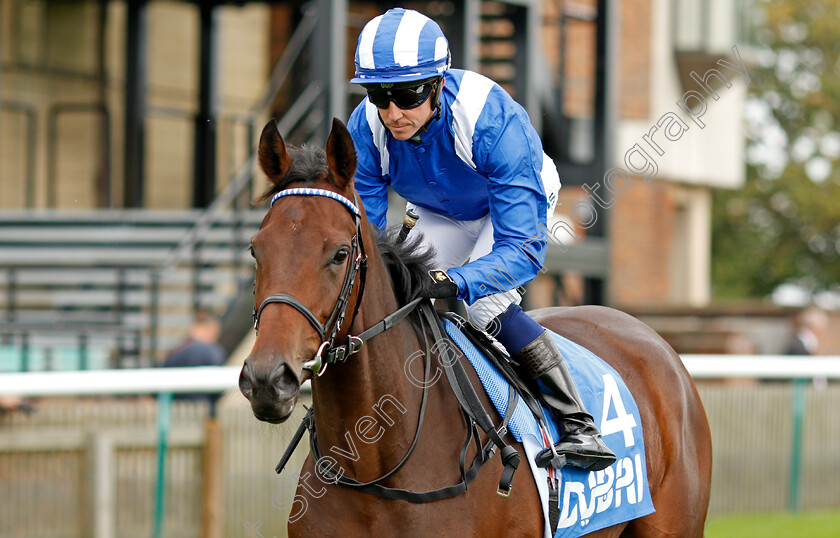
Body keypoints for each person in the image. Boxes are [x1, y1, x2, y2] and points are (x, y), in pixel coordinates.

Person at [346, 8, 615, 472]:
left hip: (506, 207)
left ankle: (578, 424)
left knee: (484, 304)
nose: (392, 113)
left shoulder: (491, 120)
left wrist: (457, 279)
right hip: (437, 212)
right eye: (378, 95)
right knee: (397, 297)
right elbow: (367, 239)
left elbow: (523, 251)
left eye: (407, 95)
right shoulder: (365, 129)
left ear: (436, 84)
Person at [162, 310, 227, 412]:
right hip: (203, 412)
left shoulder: (175, 351)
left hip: (174, 413)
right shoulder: (213, 351)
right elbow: (219, 390)